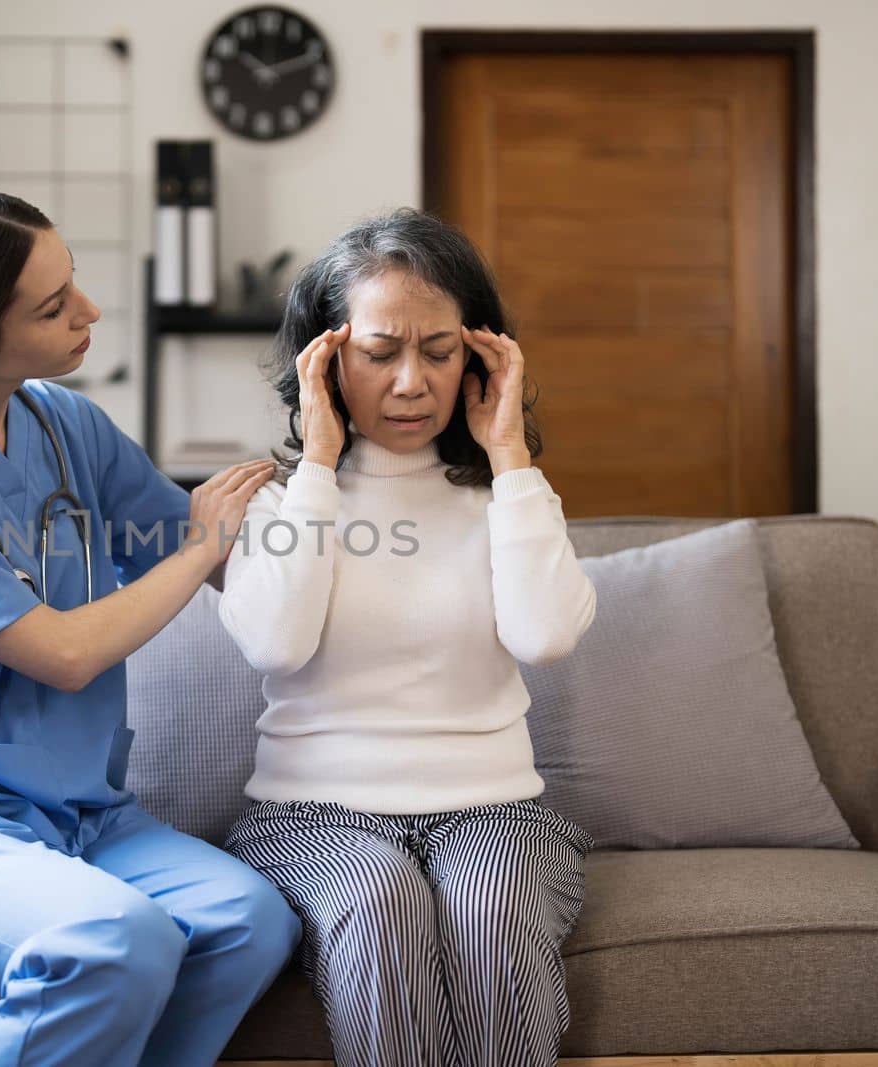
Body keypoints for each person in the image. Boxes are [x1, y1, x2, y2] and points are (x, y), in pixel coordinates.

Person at [0, 187, 301, 1067]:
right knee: (114, 939)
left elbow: (229, 561)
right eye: (53, 306)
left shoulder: (63, 420)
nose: (90, 310)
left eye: (72, 280)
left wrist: (342, 479)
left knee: (248, 921)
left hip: (85, 819)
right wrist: (197, 550)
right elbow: (66, 654)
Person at [218, 207, 599, 1067]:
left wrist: (510, 456)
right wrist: (319, 461)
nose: (410, 383)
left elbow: (543, 636)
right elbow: (276, 643)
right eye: (380, 352)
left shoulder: (510, 498)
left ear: (479, 354)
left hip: (492, 812)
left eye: (438, 350)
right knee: (380, 896)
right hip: (313, 818)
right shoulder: (282, 506)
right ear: (326, 359)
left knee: (493, 902)